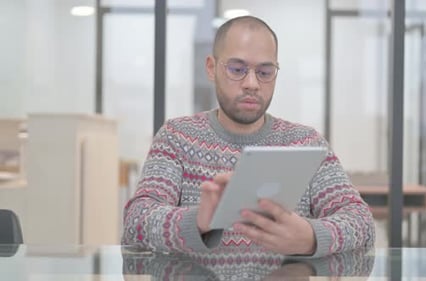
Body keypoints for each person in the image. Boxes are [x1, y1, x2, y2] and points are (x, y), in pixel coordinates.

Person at [122, 15, 375, 258]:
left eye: (265, 72)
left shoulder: (305, 142)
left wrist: (311, 237)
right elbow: (137, 221)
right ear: (211, 68)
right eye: (237, 69)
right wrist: (198, 220)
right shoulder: (177, 137)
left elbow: (361, 222)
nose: (252, 83)